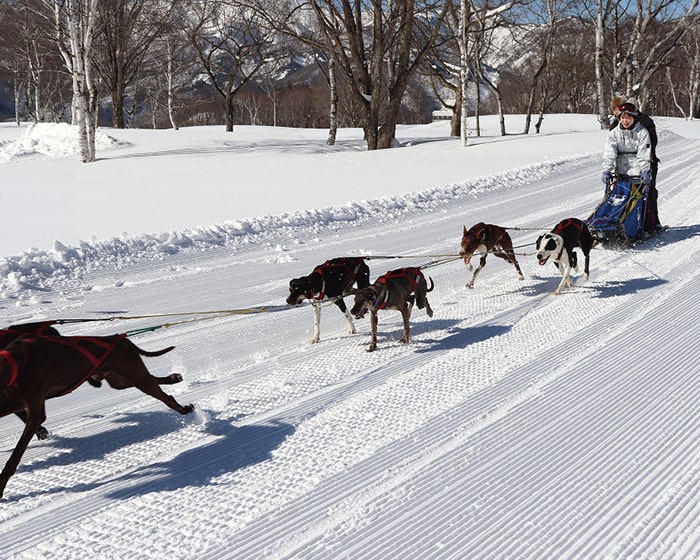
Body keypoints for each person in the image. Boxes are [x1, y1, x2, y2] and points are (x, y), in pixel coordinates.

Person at [608, 96, 661, 231]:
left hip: (646, 162)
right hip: (623, 167)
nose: (615, 111)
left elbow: (650, 143)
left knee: (647, 194)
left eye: (617, 108)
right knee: (620, 195)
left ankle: (652, 223)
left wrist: (646, 166)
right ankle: (619, 222)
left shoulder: (644, 123)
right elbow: (611, 148)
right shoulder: (615, 126)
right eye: (615, 109)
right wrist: (608, 169)